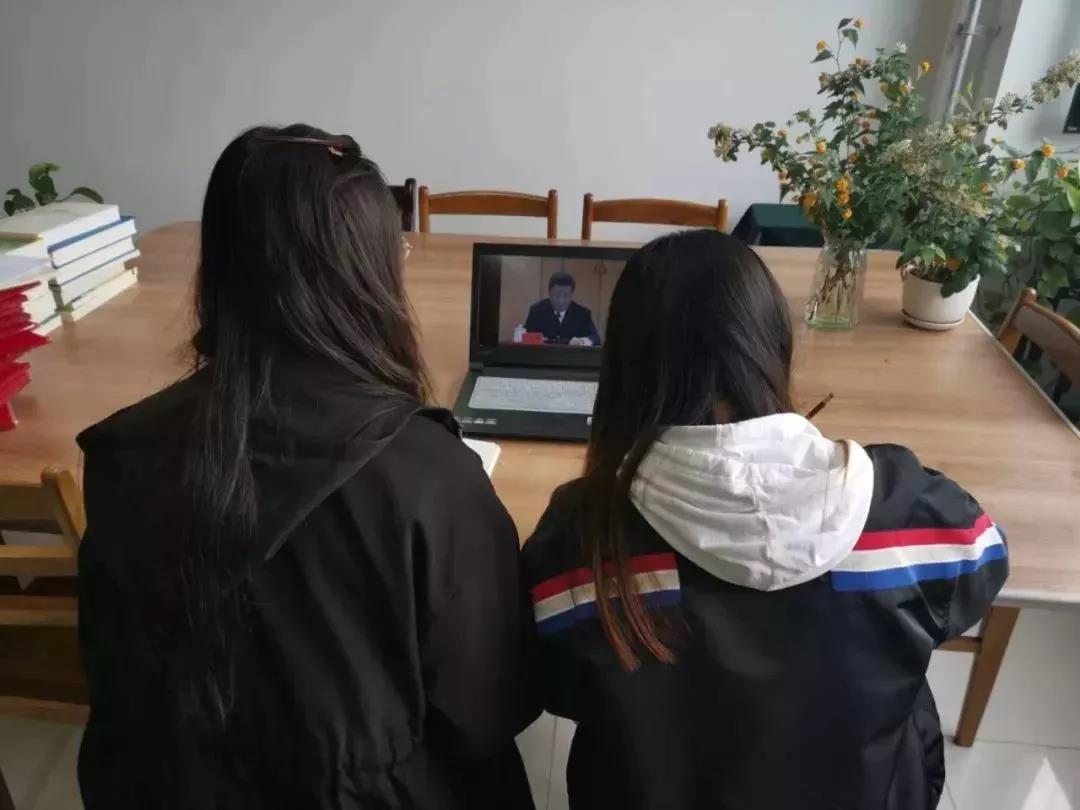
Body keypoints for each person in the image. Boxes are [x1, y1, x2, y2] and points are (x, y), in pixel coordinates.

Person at [76, 124, 539, 810]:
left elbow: (113, 676)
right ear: (367, 273)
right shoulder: (433, 478)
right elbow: (490, 711)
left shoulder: (124, 453)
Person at [522, 230, 1007, 810]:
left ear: (624, 366)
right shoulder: (910, 513)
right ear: (774, 342)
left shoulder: (580, 539)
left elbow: (557, 686)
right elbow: (983, 570)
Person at [523, 271, 601, 346]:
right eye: (557, 295)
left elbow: (595, 339)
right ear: (549, 293)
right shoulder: (537, 311)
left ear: (572, 295)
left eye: (566, 296)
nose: (561, 301)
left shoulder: (582, 314)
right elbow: (526, 336)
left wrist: (583, 341)